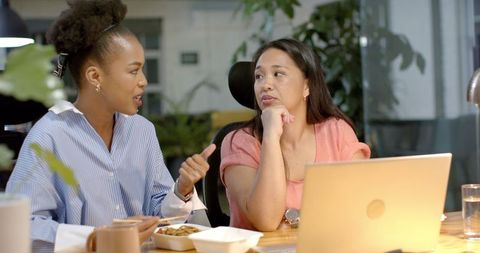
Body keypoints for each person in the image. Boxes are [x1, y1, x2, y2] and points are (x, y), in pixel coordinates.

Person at [5, 0, 215, 252]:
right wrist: (98, 237)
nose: (144, 82)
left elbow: (160, 217)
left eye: (143, 70)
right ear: (95, 77)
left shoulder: (142, 131)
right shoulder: (49, 136)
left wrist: (181, 190)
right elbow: (22, 226)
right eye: (133, 71)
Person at [220, 38, 371, 231]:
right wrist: (271, 137)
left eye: (278, 74)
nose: (265, 84)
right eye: (259, 76)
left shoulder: (337, 132)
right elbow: (265, 221)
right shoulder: (239, 142)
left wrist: (293, 220)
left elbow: (362, 207)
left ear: (306, 86)